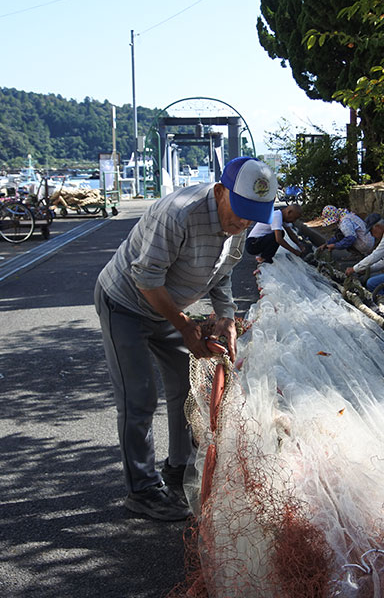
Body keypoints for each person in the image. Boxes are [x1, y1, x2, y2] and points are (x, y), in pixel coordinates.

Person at [94, 156, 277, 521]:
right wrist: (184, 325)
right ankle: (141, 489)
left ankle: (177, 469)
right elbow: (145, 278)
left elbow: (222, 275)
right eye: (239, 211)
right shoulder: (178, 213)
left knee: (186, 391)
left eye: (253, 215)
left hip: (169, 307)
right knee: (139, 397)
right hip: (127, 303)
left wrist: (225, 317)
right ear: (221, 190)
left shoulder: (241, 221)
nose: (242, 222)